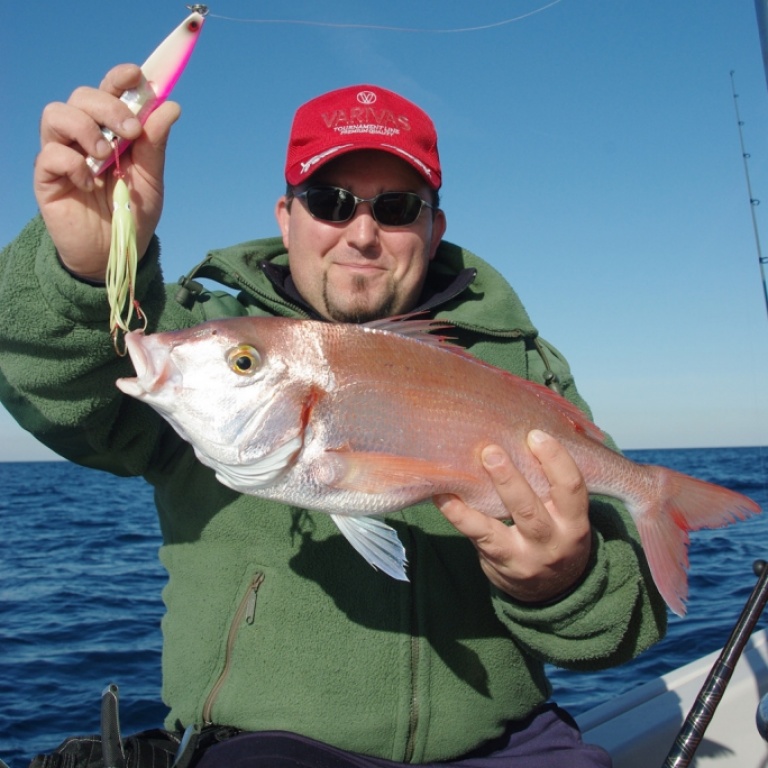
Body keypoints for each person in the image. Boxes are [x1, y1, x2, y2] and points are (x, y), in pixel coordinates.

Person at [0, 64, 667, 768]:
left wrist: (563, 579)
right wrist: (86, 271)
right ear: (286, 216)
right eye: (330, 200)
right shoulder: (200, 328)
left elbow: (623, 629)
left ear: (434, 227)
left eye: (398, 207)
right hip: (265, 750)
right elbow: (61, 388)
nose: (362, 233)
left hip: (508, 743)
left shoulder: (521, 368)